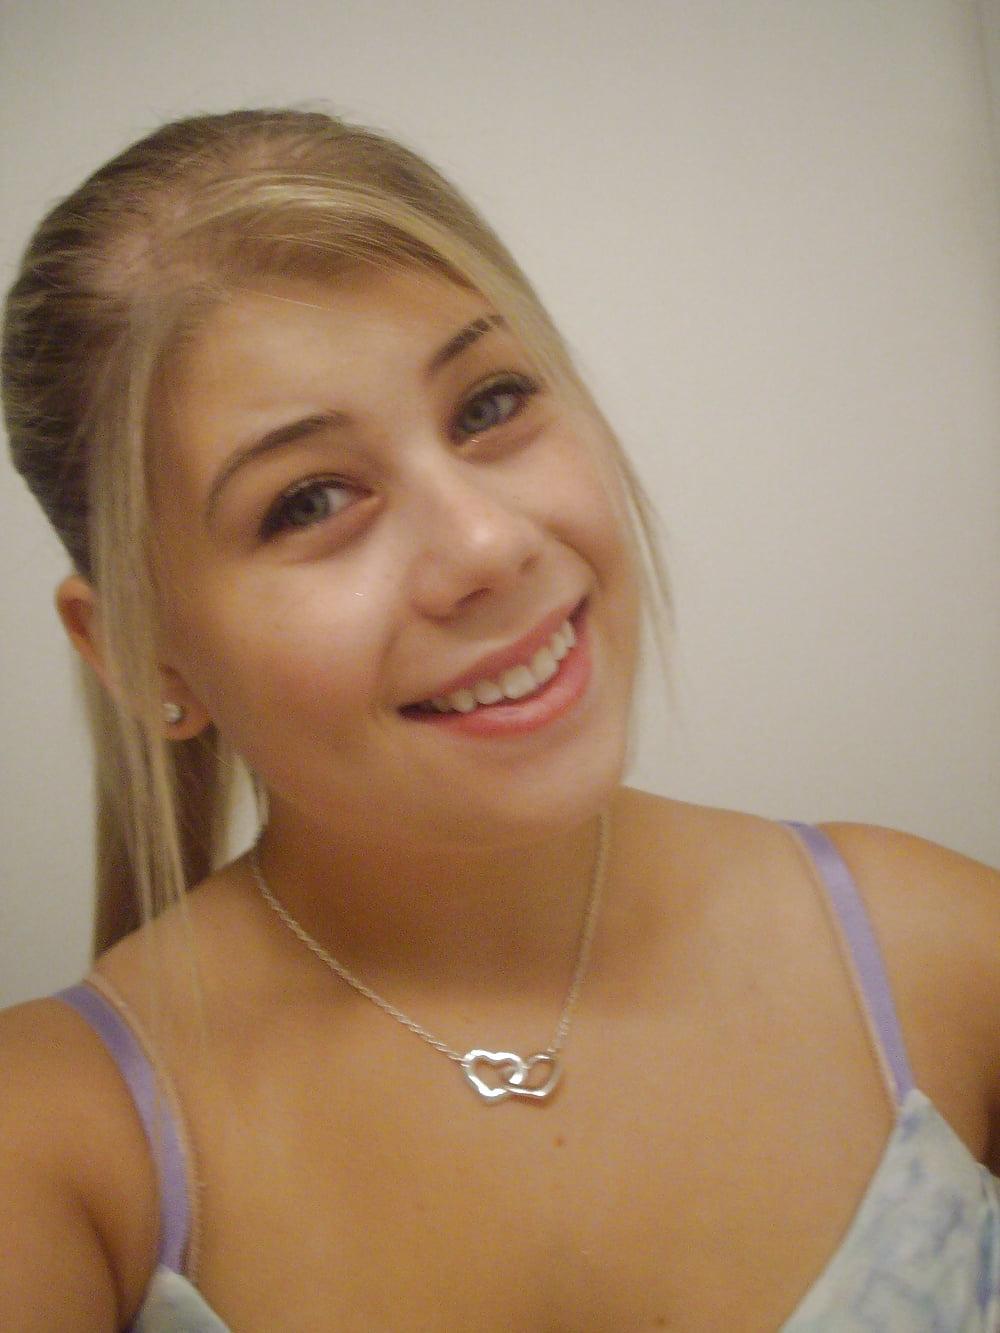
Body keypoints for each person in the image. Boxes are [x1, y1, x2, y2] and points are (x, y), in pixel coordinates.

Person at [1, 107, 997, 1333]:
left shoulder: (948, 958)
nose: (487, 544)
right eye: (308, 500)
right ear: (140, 648)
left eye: (489, 405)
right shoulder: (52, 1150)